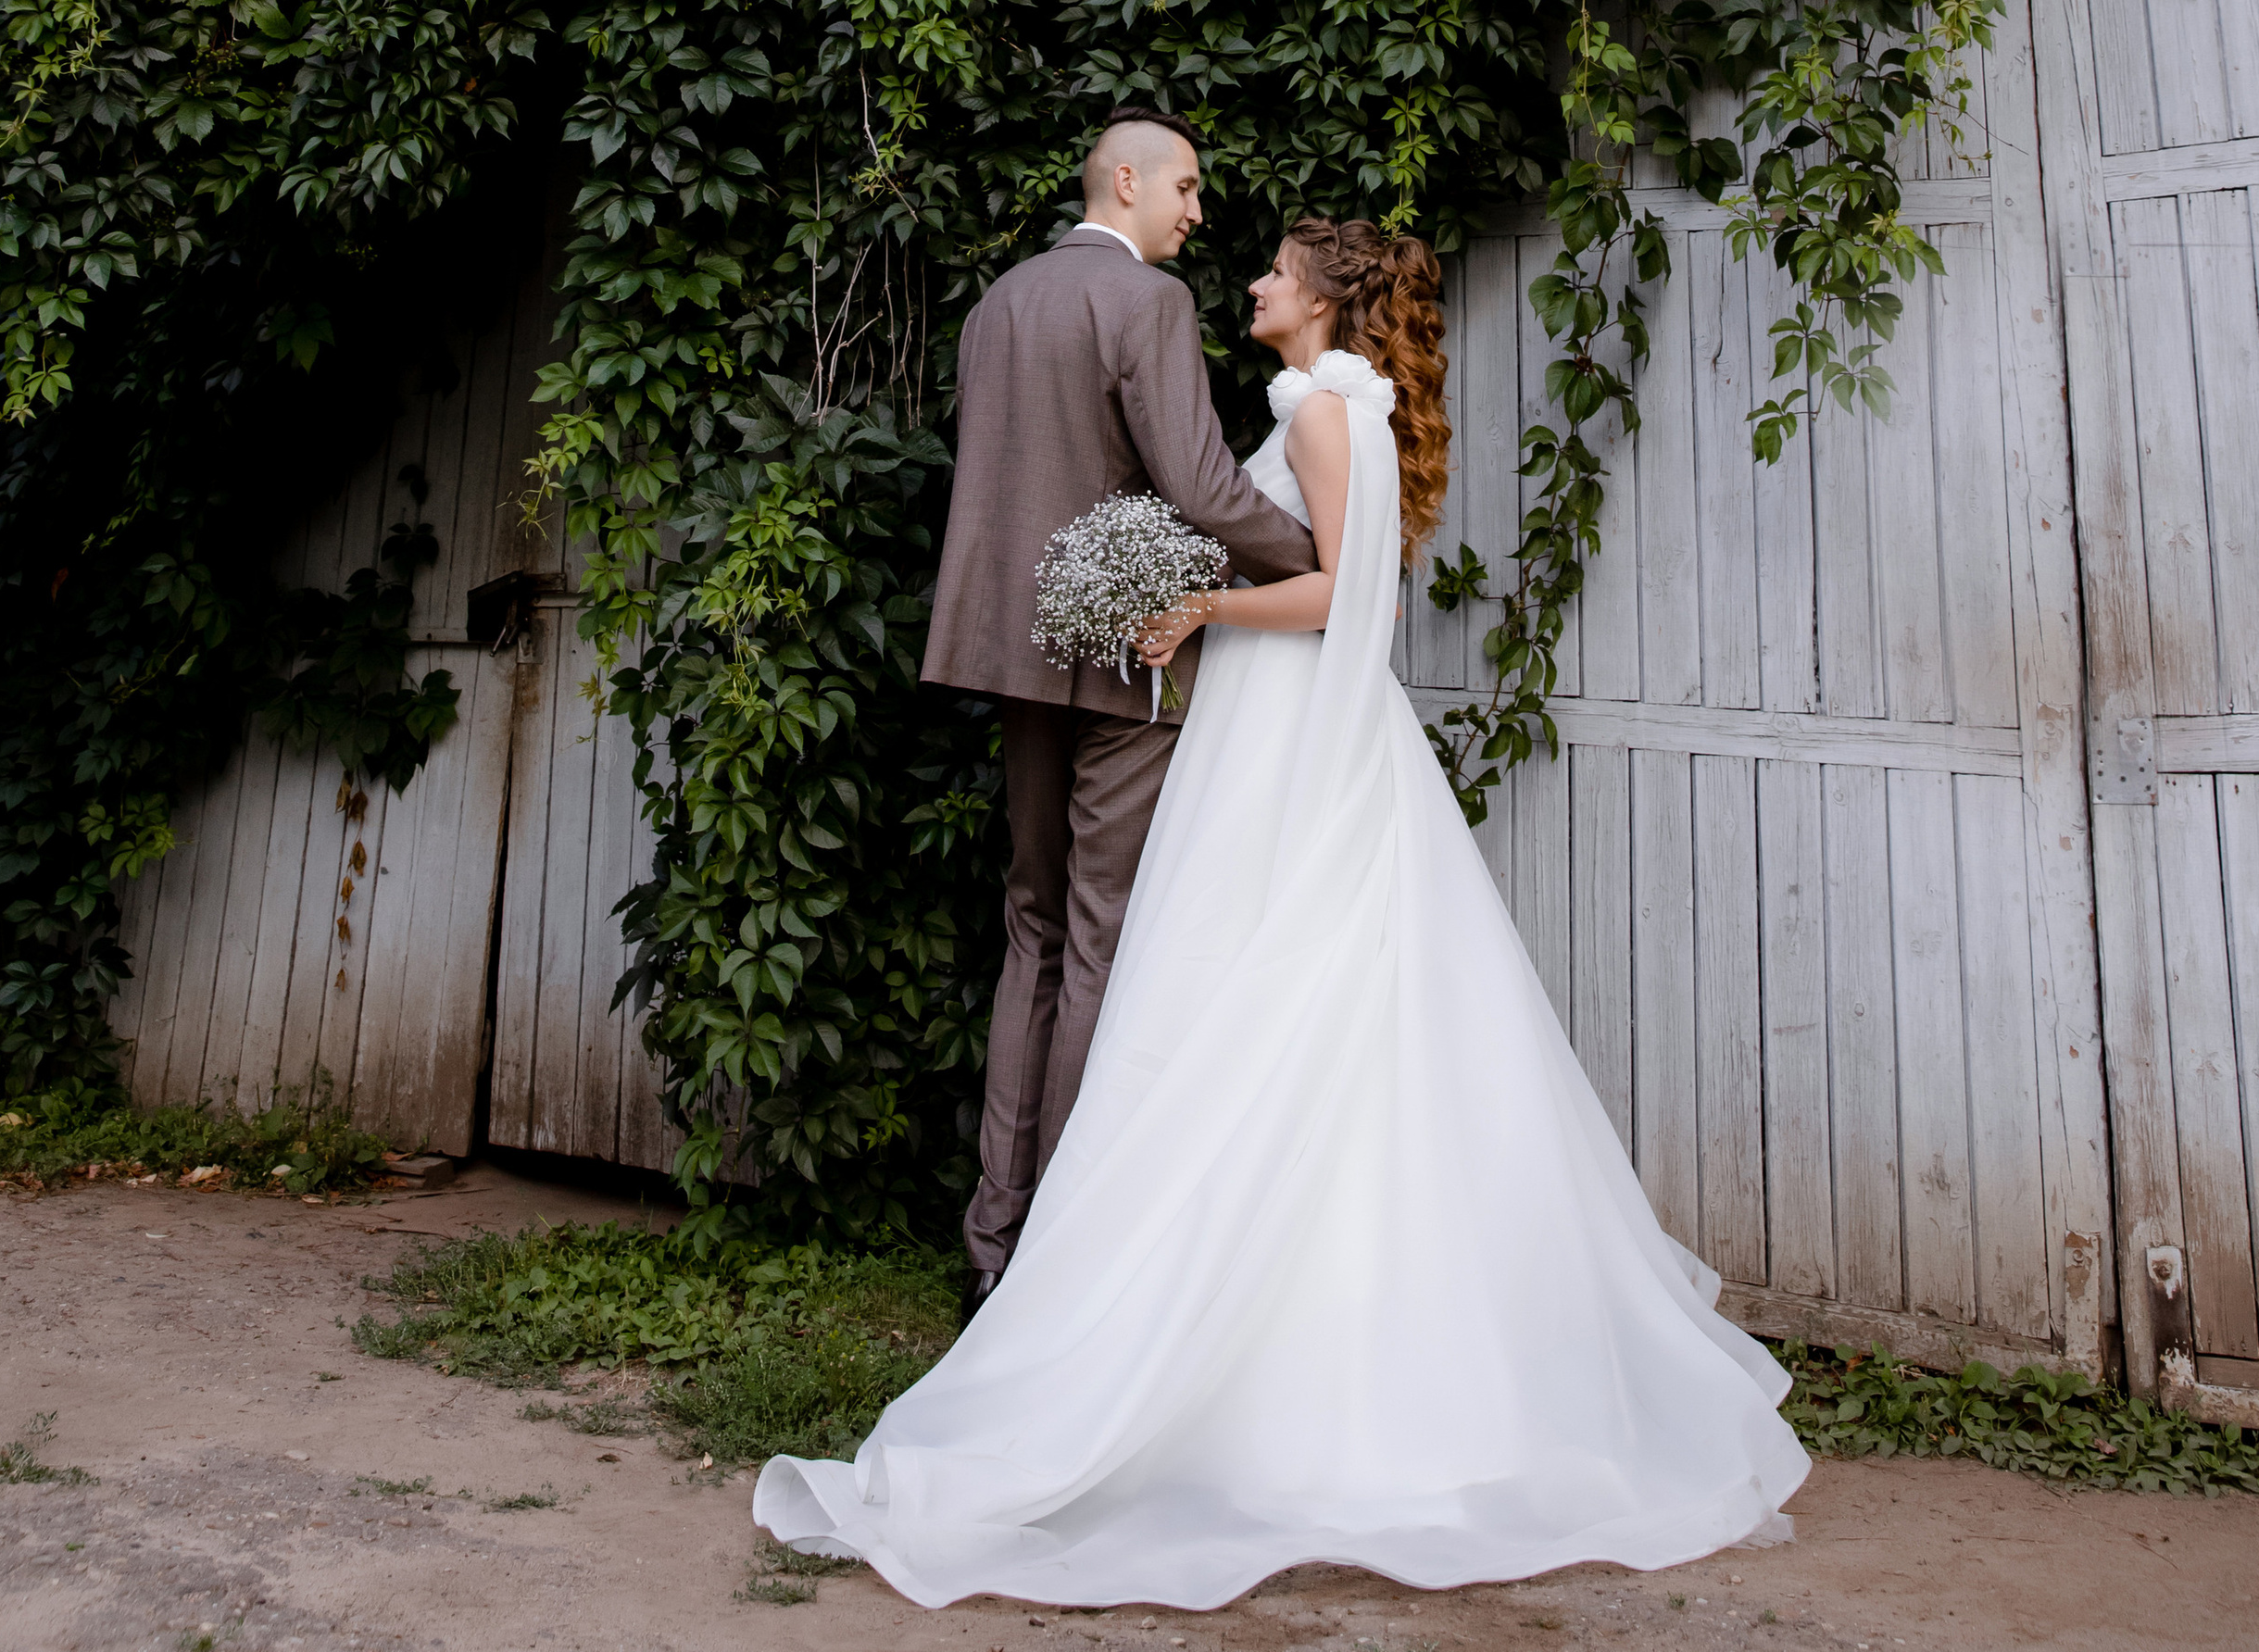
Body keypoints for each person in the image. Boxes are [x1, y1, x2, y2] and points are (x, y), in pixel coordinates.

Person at [756, 214, 1810, 1607]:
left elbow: (1338, 597)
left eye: (1275, 272)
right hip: (1282, 730)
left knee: (1254, 996)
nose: (1251, 281)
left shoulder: (1322, 409)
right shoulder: (1329, 403)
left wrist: (1200, 608)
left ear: (1321, 299)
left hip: (1288, 727)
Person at [920, 107, 1319, 1303]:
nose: (1198, 212)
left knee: (1032, 926)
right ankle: (1064, 1254)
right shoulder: (1147, 302)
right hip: (1124, 654)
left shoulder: (999, 304)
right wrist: (1321, 561)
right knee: (1102, 935)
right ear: (1128, 181)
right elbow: (1198, 483)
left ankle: (994, 1243)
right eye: (1187, 188)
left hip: (1011, 651)